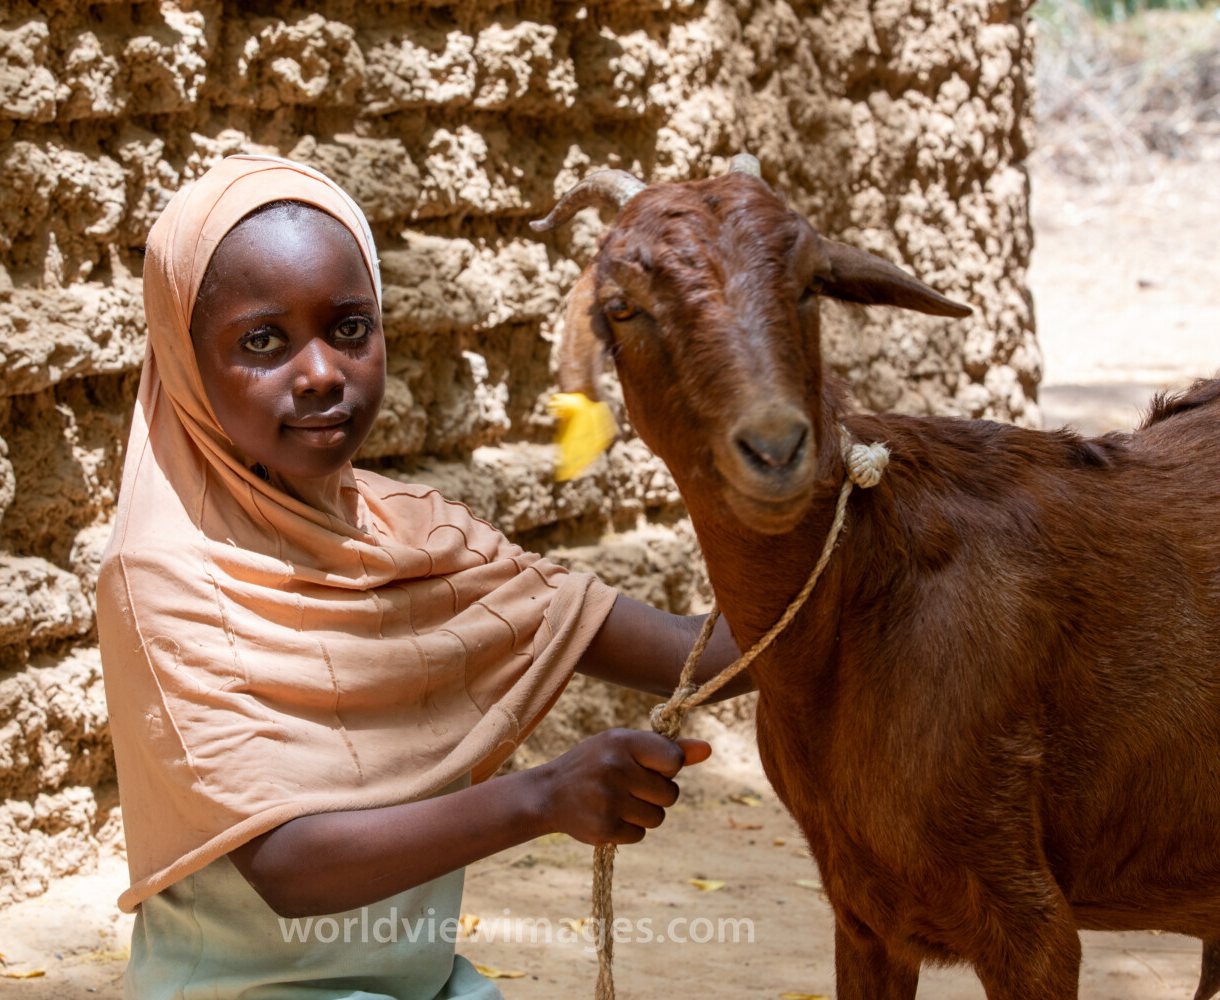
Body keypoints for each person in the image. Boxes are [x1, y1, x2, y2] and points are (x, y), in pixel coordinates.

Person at [95, 155, 750, 1000]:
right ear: (184, 363)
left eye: (350, 328)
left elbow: (708, 656)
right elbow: (288, 867)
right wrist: (543, 797)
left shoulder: (421, 537)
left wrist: (793, 478)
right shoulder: (164, 574)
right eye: (263, 341)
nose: (323, 372)